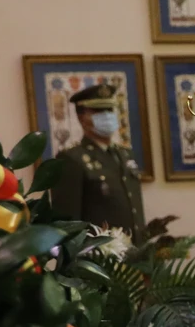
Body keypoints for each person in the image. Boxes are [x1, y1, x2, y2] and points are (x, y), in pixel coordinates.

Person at [49, 82, 145, 231]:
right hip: (99, 251)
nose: (107, 116)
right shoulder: (71, 159)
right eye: (98, 111)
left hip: (134, 250)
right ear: (81, 118)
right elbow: (67, 221)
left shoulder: (125, 154)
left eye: (110, 110)